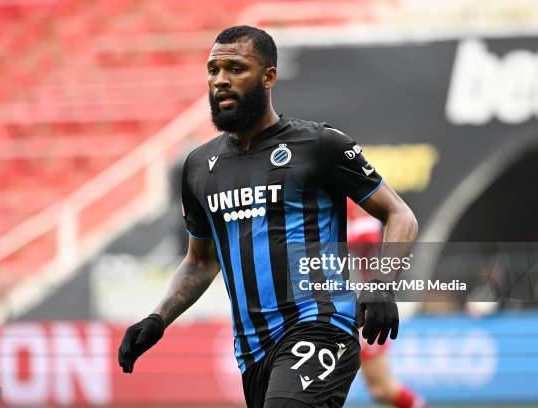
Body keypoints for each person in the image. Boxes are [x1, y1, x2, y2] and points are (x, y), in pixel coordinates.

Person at [118, 25, 418, 408]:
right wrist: (157, 319)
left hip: (321, 329)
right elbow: (200, 261)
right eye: (213, 71)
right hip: (253, 351)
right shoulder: (198, 167)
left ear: (269, 76)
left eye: (236, 69)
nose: (221, 81)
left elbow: (399, 214)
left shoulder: (320, 145)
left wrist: (380, 283)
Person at [347, 200, 427, 408]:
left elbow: (370, 232)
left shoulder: (353, 195)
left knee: (381, 388)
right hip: (334, 312)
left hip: (363, 311)